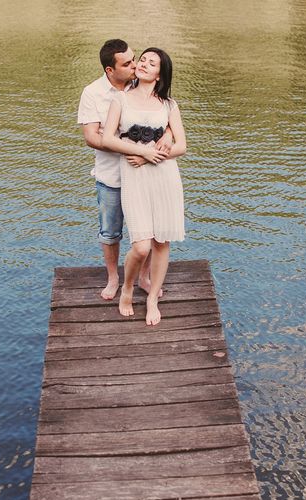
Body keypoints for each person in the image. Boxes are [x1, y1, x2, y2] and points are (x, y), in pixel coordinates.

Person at [78, 39, 173, 300]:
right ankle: (113, 278)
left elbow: (161, 115)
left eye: (135, 59)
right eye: (128, 63)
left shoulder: (140, 82)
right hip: (111, 175)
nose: (135, 65)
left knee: (147, 233)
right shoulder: (92, 93)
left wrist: (167, 134)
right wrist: (136, 149)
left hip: (143, 174)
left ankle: (143, 276)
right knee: (110, 231)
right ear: (110, 70)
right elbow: (92, 138)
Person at [100, 47, 187, 325]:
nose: (144, 64)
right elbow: (108, 139)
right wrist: (141, 152)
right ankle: (127, 288)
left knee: (162, 241)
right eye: (144, 60)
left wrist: (153, 155)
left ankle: (151, 300)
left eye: (152, 63)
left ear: (161, 74)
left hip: (164, 176)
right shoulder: (120, 99)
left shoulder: (169, 105)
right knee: (141, 246)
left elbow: (182, 147)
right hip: (134, 176)